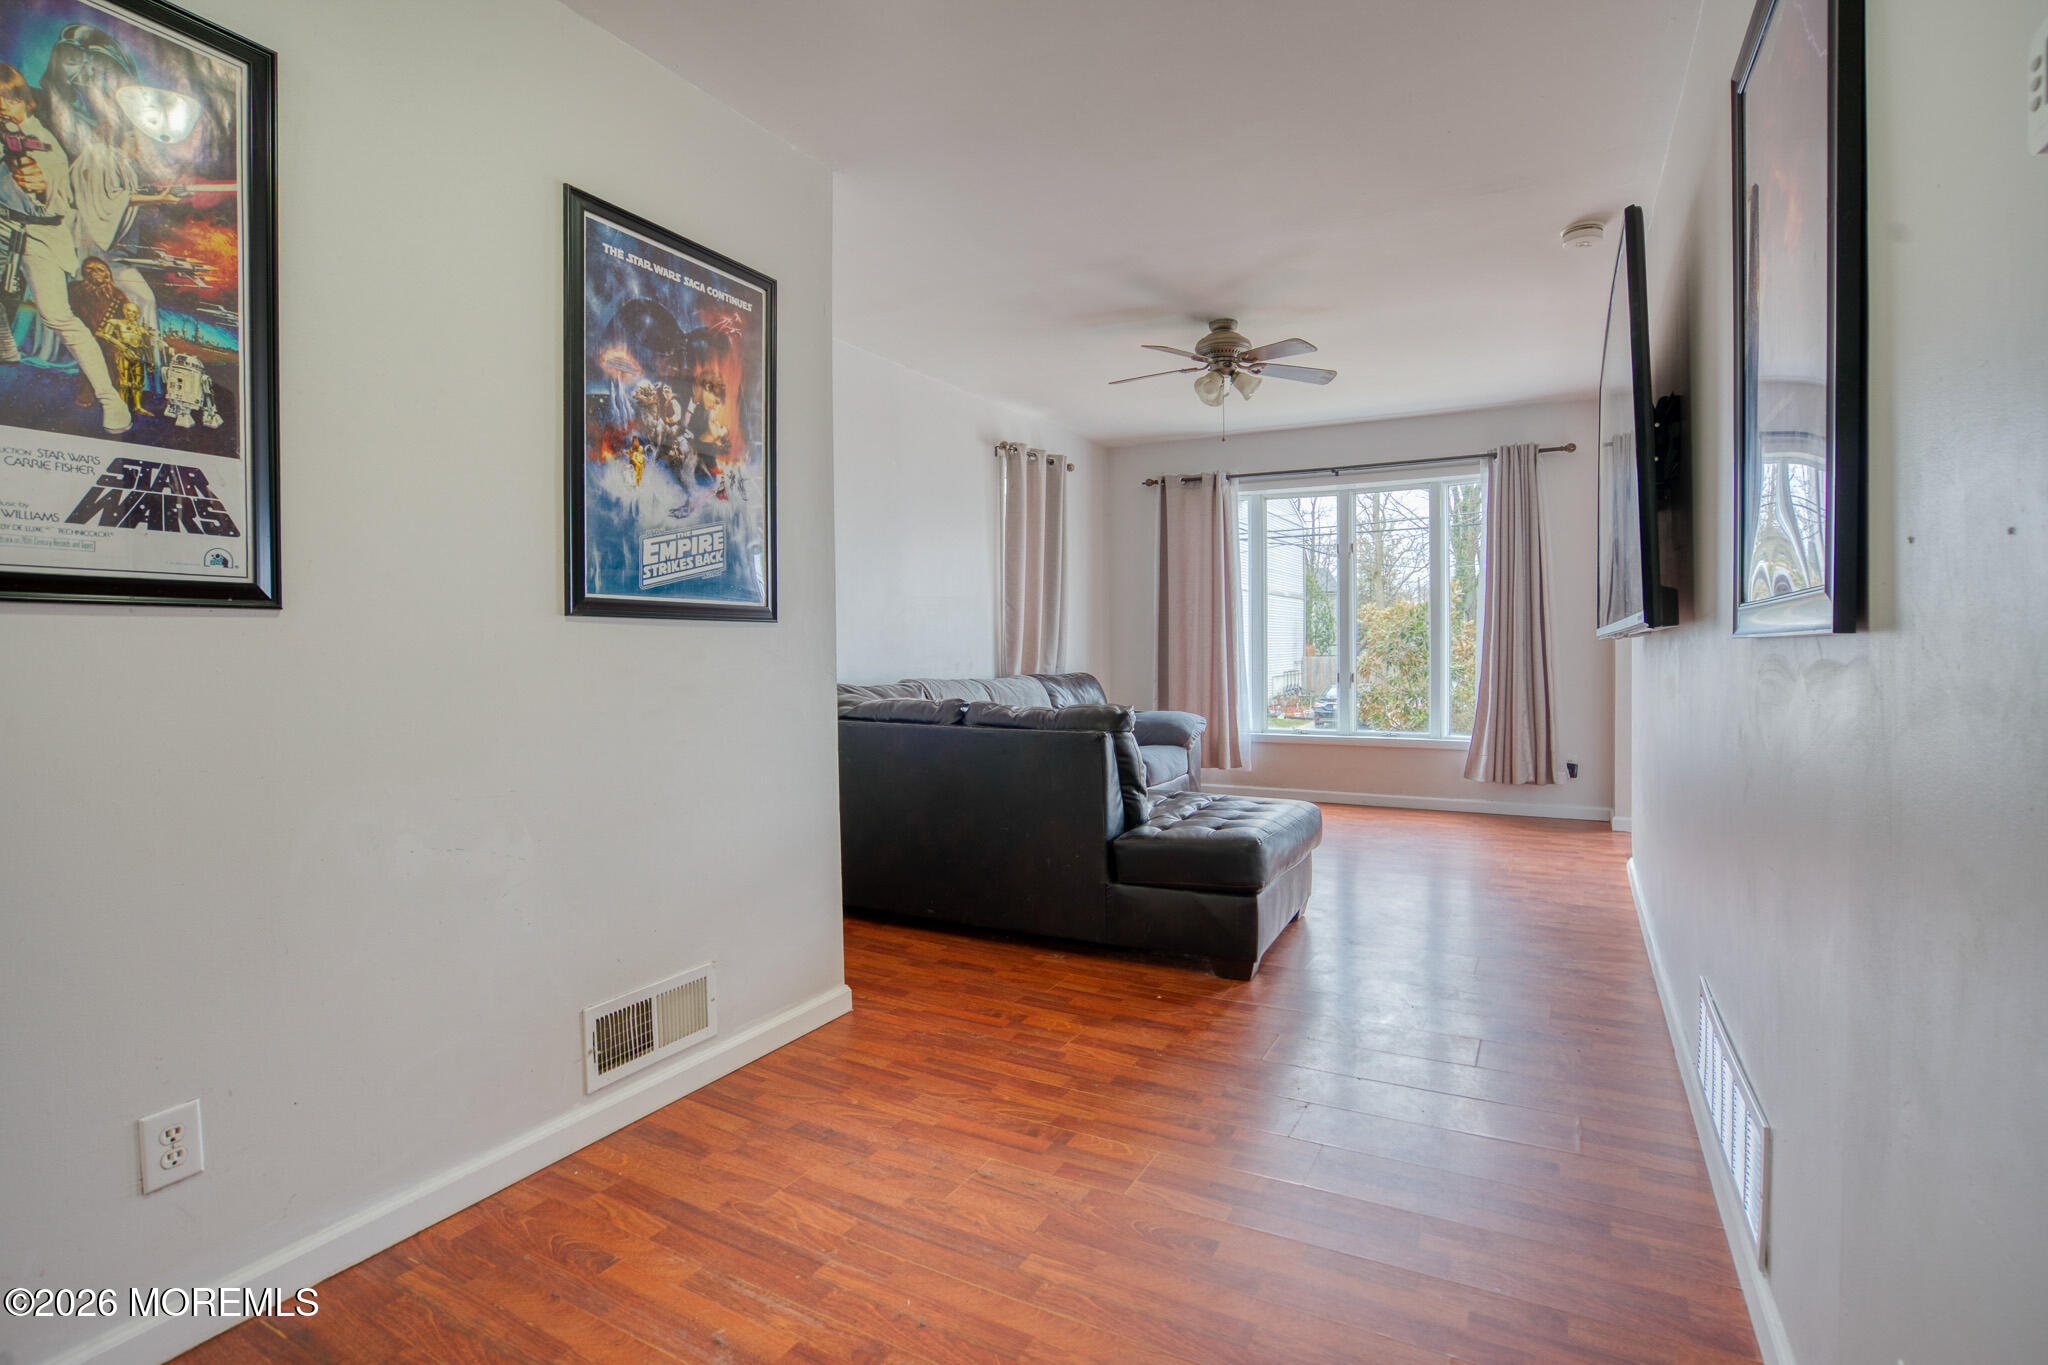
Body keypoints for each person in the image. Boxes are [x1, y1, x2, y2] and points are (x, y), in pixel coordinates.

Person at [0, 63, 129, 433]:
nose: (3, 107)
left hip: (40, 235)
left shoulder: (45, 145)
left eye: (9, 99)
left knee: (58, 316)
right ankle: (6, 343)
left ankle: (110, 398)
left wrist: (35, 183)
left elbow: (44, 178)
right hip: (3, 225)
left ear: (27, 103)